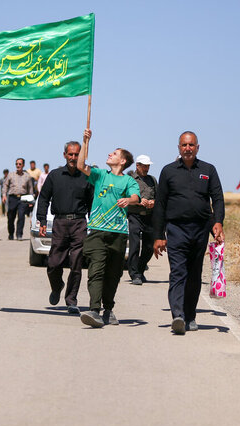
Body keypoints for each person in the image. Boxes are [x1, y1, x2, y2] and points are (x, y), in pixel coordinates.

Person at [153, 131, 225, 335]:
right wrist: (158, 235)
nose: (188, 148)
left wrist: (218, 222)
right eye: (184, 145)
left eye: (191, 145)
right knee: (178, 271)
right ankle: (177, 315)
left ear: (197, 147)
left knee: (194, 274)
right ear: (178, 148)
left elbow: (217, 198)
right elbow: (160, 205)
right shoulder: (168, 171)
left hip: (200, 229)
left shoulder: (208, 170)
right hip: (176, 229)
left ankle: (190, 315)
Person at [77, 128, 140, 328]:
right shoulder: (99, 175)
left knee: (113, 274)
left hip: (119, 234)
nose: (109, 154)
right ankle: (94, 310)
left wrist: (128, 199)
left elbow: (136, 198)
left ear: (122, 161)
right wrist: (85, 141)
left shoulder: (128, 180)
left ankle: (108, 309)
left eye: (114, 153)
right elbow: (80, 165)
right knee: (96, 270)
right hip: (97, 231)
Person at [37, 142, 93, 315]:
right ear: (64, 155)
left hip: (79, 223)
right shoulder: (54, 175)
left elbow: (92, 202)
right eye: (70, 154)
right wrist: (42, 221)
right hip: (60, 223)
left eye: (77, 155)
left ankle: (71, 300)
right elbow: (44, 198)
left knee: (76, 264)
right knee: (54, 263)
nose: (73, 158)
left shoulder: (86, 177)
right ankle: (57, 286)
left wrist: (94, 223)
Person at [126, 155, 158, 285]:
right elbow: (125, 196)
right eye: (144, 166)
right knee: (134, 245)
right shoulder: (129, 179)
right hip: (134, 216)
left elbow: (159, 197)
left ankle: (140, 269)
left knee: (149, 246)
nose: (146, 168)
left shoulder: (152, 180)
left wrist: (153, 202)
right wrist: (138, 202)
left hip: (149, 217)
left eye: (148, 166)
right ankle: (134, 274)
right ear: (137, 166)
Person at [2, 158, 35, 240]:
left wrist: (31, 200)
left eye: (20, 164)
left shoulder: (27, 176)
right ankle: (11, 233)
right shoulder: (11, 175)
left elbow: (30, 189)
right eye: (16, 164)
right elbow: (5, 185)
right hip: (12, 198)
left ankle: (19, 234)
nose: (18, 165)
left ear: (23, 165)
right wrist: (4, 195)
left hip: (23, 199)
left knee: (21, 216)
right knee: (11, 217)